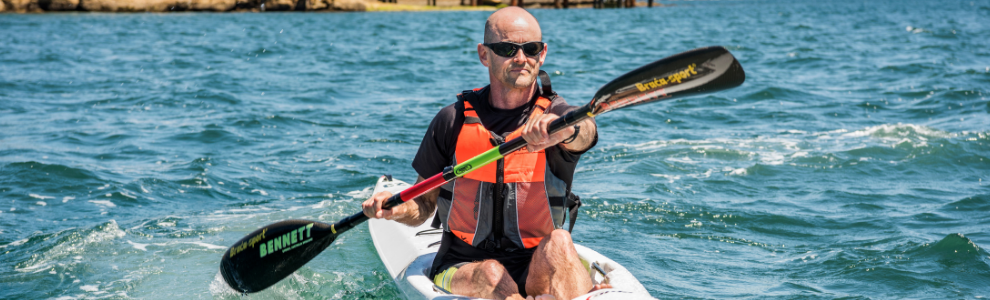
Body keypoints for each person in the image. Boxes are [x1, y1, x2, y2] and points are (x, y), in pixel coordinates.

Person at [363, 7, 606, 300]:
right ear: (484, 54)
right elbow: (423, 206)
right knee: (492, 275)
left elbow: (586, 132)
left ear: (542, 54)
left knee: (560, 241)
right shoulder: (451, 120)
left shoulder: (558, 116)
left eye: (531, 49)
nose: (521, 58)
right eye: (507, 49)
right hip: (460, 264)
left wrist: (564, 131)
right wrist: (395, 209)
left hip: (534, 266)